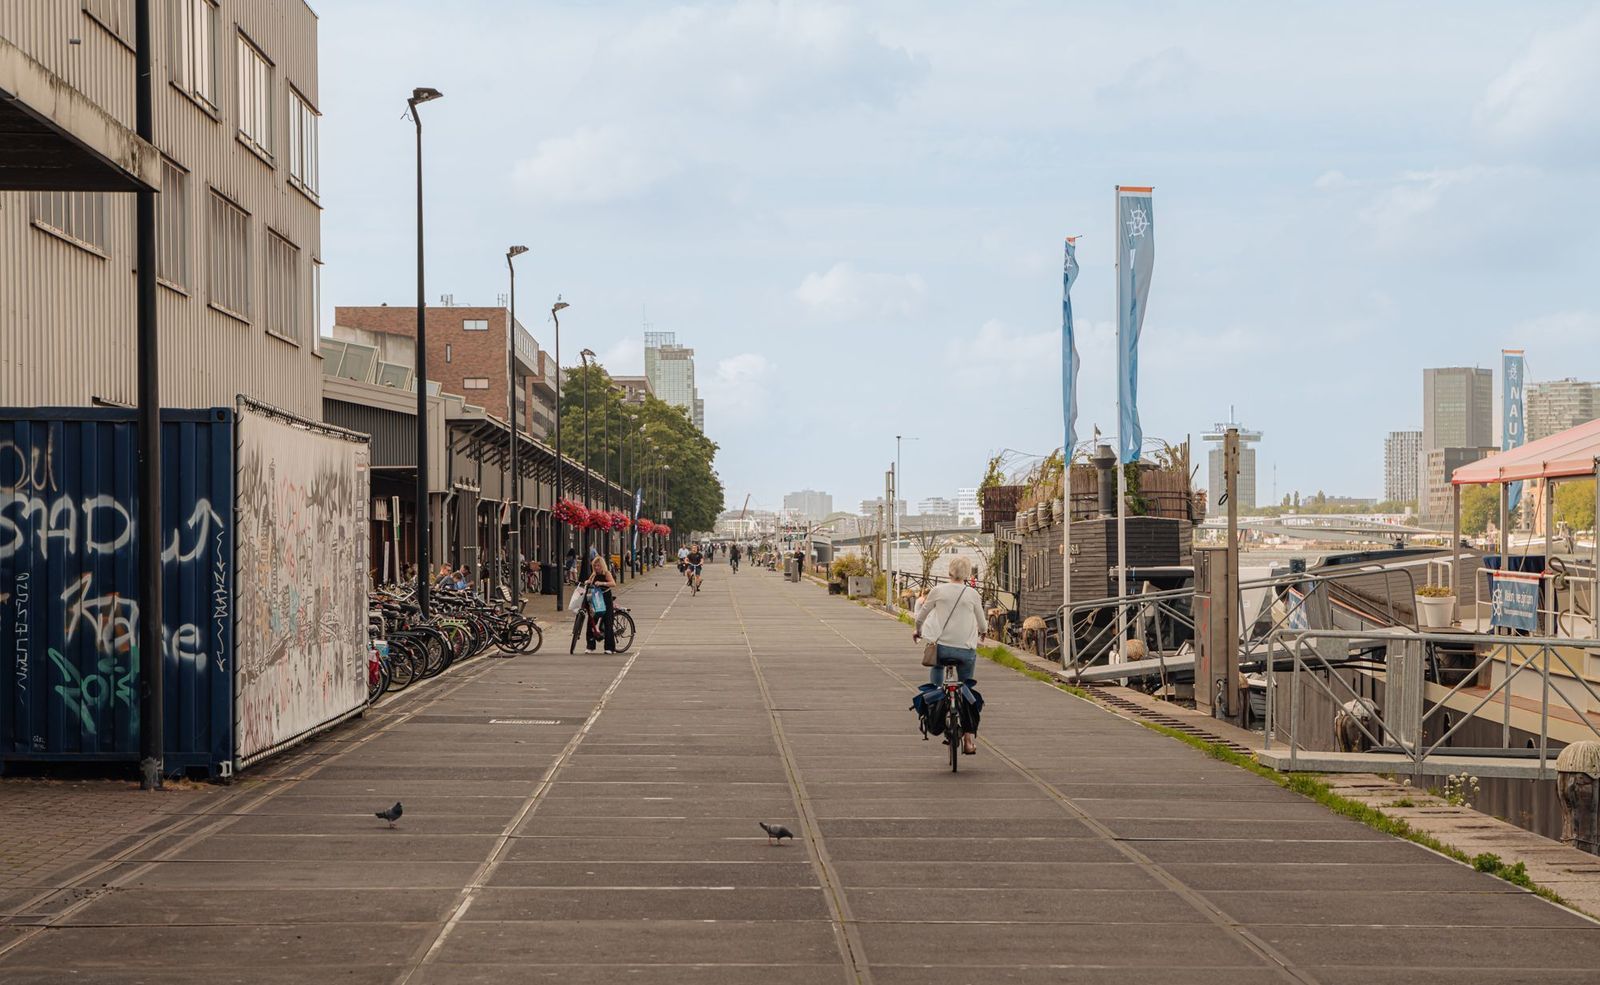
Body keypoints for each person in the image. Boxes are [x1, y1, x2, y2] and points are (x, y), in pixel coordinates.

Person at [912, 557, 986, 756]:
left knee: (937, 671)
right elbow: (983, 623)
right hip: (965, 651)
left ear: (949, 572)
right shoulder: (972, 594)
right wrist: (983, 632)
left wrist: (917, 631)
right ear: (968, 574)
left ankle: (939, 704)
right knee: (966, 691)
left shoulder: (938, 591)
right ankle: (969, 740)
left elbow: (921, 616)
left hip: (941, 649)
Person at [586, 553, 618, 653]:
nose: (596, 567)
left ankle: (609, 648)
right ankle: (590, 646)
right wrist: (587, 581)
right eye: (595, 566)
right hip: (596, 599)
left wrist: (602, 583)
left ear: (602, 565)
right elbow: (590, 580)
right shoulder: (594, 574)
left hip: (606, 598)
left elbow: (613, 583)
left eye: (598, 565)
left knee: (608, 623)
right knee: (591, 622)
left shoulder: (606, 573)